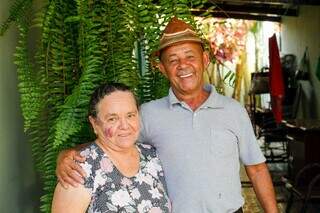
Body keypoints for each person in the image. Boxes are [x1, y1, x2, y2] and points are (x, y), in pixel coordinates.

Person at [56, 17, 278, 213]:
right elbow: (111, 142)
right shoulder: (148, 114)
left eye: (190, 56)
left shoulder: (234, 111)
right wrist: (67, 155)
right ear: (162, 68)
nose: (183, 65)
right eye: (172, 60)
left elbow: (257, 169)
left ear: (205, 60)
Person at [52, 83, 171, 212]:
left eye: (130, 115)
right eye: (112, 119)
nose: (124, 126)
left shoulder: (152, 156)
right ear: (95, 123)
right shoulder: (80, 169)